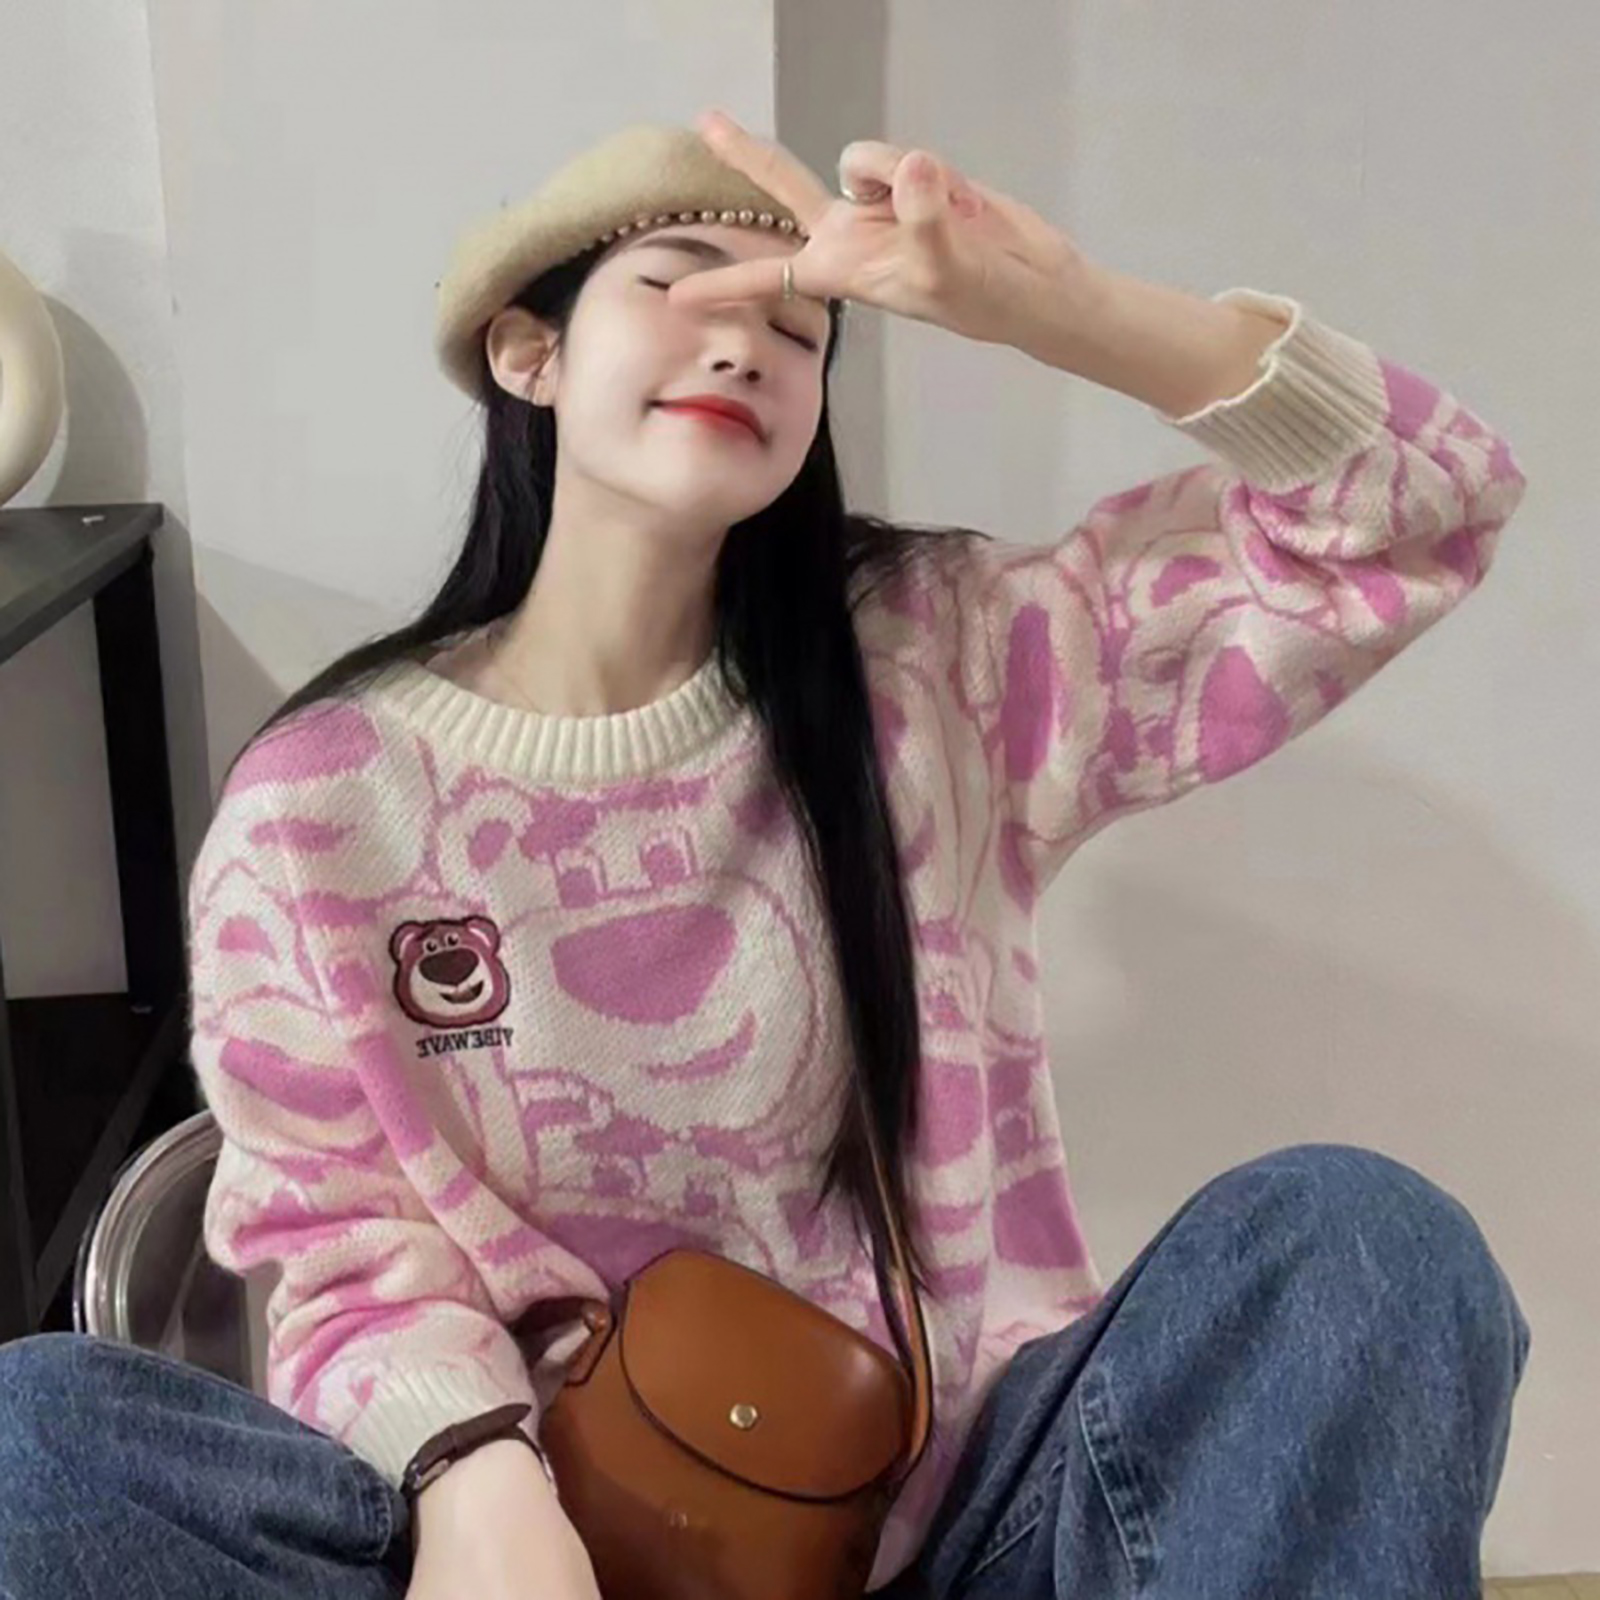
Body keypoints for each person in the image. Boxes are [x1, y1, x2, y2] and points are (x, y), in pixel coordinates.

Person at [0, 112, 1530, 1600]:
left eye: (798, 330)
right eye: (677, 287)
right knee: (34, 1435)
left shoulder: (939, 671)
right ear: (528, 352)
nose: (744, 347)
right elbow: (337, 1242)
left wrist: (1058, 308)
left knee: (1367, 1250)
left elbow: (1420, 510)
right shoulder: (321, 811)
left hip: (933, 1528)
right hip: (514, 1541)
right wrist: (472, 1481)